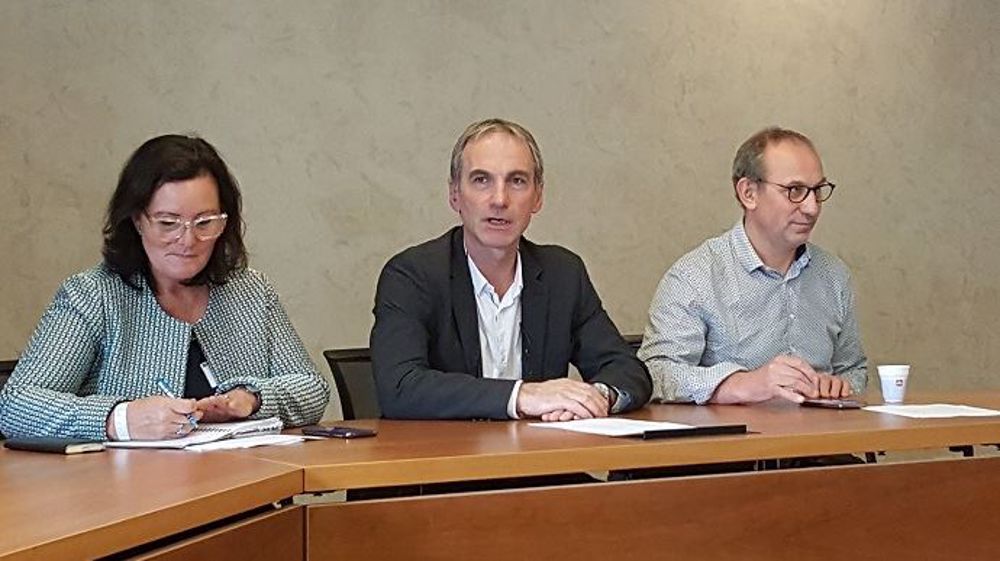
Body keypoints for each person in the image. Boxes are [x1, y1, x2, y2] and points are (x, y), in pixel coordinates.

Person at [0, 135, 329, 440]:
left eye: (205, 222)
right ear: (137, 220)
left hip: (248, 485)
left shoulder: (250, 290)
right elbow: (15, 406)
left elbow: (312, 390)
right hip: (130, 495)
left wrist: (253, 399)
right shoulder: (92, 296)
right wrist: (121, 419)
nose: (188, 241)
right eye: (168, 223)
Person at [371, 118, 651, 421]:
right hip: (448, 462)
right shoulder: (412, 276)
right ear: (455, 194)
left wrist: (595, 395)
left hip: (540, 461)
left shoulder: (562, 274)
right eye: (481, 180)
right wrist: (522, 396)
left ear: (538, 196)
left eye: (517, 181)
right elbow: (400, 387)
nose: (500, 200)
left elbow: (628, 370)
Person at [639, 127, 867, 405]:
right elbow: (655, 373)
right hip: (735, 445)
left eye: (817, 191)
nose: (812, 208)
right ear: (748, 193)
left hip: (821, 442)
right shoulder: (695, 276)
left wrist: (839, 386)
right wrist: (740, 384)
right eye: (795, 191)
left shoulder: (833, 275)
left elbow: (854, 370)